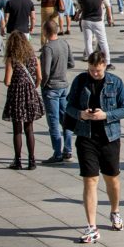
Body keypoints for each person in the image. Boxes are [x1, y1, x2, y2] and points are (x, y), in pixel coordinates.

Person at [65, 50, 124, 244]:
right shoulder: (79, 81)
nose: (94, 74)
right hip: (86, 136)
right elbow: (68, 106)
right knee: (90, 180)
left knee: (112, 179)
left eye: (98, 71)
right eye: (92, 70)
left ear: (104, 66)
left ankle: (115, 210)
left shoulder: (115, 82)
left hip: (109, 137)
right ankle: (91, 226)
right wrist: (81, 114)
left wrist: (106, 115)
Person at [2, 30, 43, 169]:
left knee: (17, 129)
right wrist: (32, 86)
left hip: (16, 95)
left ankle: (18, 160)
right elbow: (40, 78)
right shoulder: (33, 58)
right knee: (29, 128)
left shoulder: (12, 59)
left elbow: (7, 81)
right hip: (30, 94)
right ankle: (32, 161)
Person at [39, 20, 74, 165]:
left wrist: (43, 83)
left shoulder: (48, 48)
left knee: (53, 122)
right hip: (64, 86)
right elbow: (71, 63)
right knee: (65, 119)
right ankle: (68, 149)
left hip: (51, 88)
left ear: (45, 32)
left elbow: (45, 71)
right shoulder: (64, 43)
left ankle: (57, 153)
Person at [78, 0, 113, 68]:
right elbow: (102, 3)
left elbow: (81, 6)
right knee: (103, 41)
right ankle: (108, 62)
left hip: (86, 19)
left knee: (88, 42)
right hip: (98, 19)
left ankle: (91, 63)